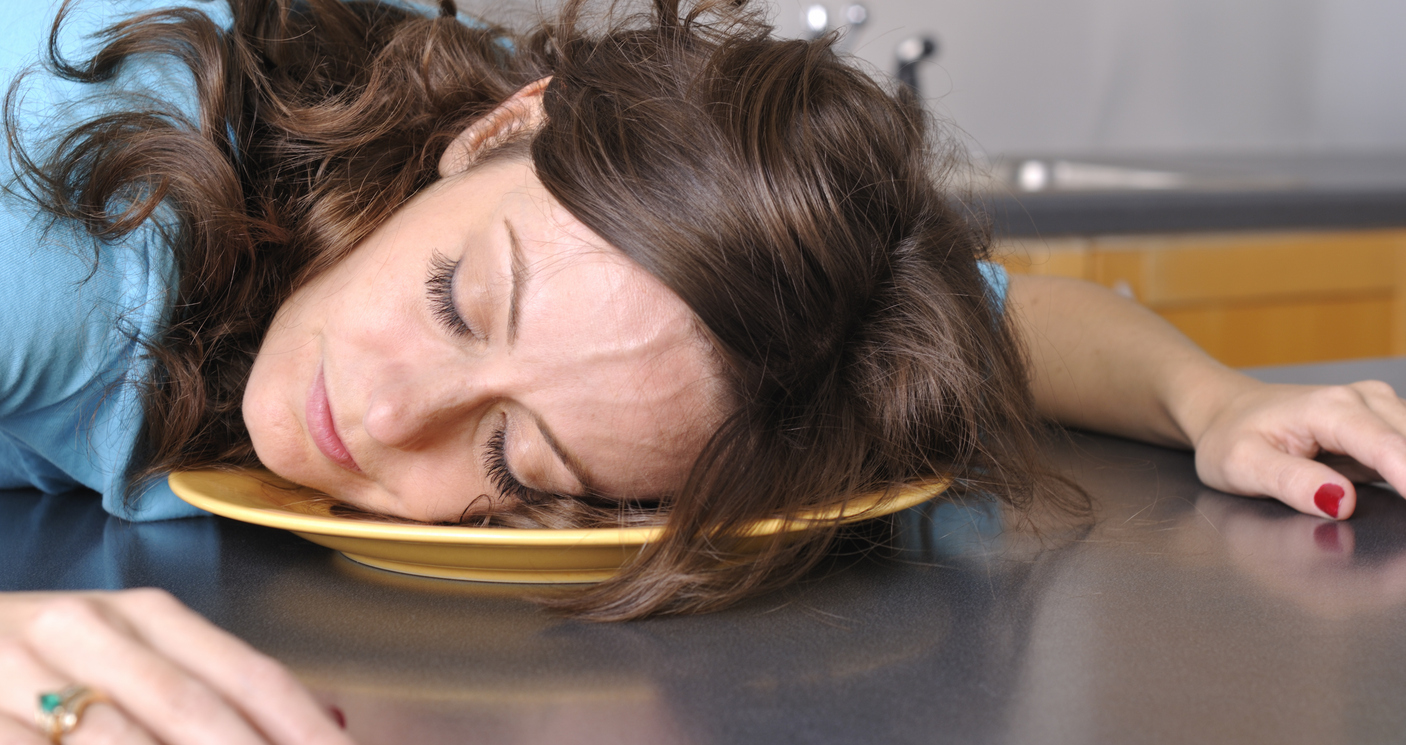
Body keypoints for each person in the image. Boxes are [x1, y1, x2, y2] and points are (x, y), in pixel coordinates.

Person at [3, 0, 1406, 741]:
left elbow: (1007, 316)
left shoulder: (540, 189)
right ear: (495, 132)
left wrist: (1217, 403)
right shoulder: (65, 240)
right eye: (453, 302)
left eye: (514, 462)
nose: (378, 417)